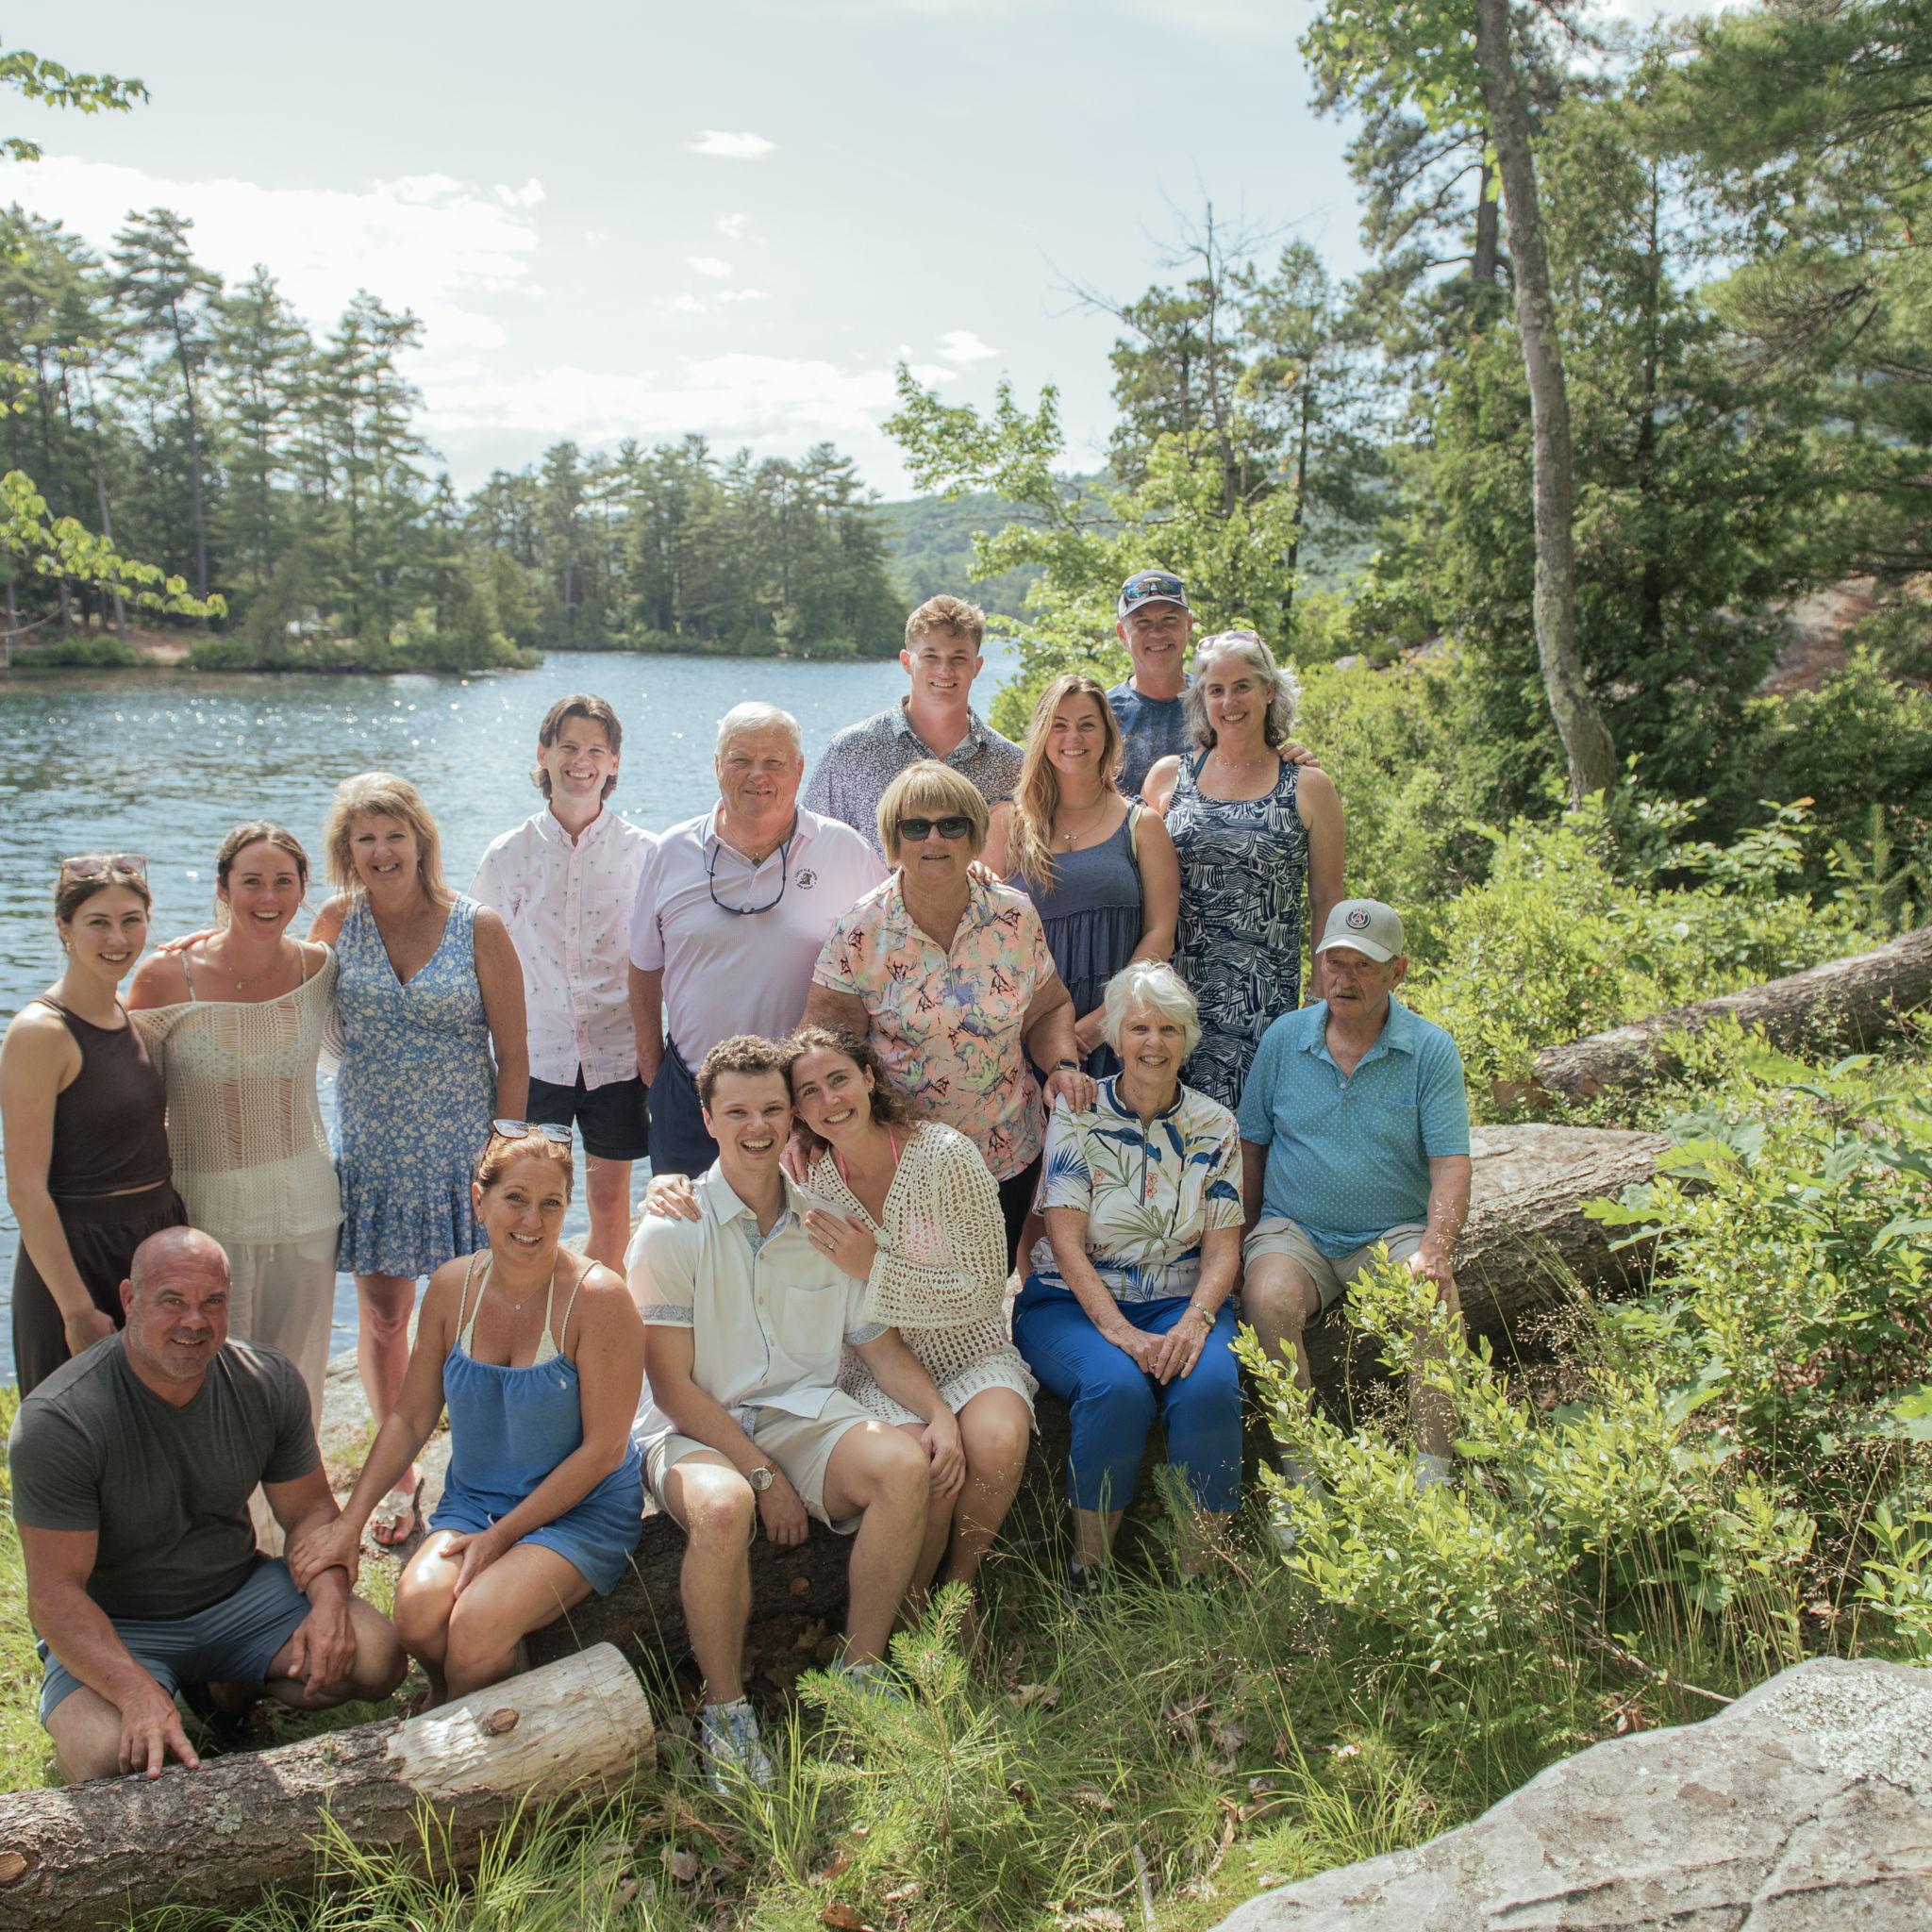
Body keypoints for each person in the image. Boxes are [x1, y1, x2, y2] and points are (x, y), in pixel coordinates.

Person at [626, 1036, 959, 1790]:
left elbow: (878, 1347)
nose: (757, 1127)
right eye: (737, 1112)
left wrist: (938, 1414)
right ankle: (726, 1714)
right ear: (707, 1119)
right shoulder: (671, 1229)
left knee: (904, 1464)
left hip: (800, 1415)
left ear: (792, 1117)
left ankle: (859, 1676)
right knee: (723, 1510)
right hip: (692, 1428)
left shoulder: (823, 1225)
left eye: (773, 1109)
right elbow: (672, 1389)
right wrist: (761, 1475)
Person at [8, 1228, 405, 1783]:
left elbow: (310, 1514)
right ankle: (163, 1691)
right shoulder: (59, 1421)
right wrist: (134, 1691)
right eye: (172, 1301)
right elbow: (55, 1597)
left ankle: (227, 1688)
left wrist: (329, 1603)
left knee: (377, 1658)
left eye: (212, 1302)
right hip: (120, 1625)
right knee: (103, 1757)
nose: (194, 1321)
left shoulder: (265, 1379)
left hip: (237, 1594)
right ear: (129, 1300)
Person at [290, 1125, 645, 1706]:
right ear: (480, 1201)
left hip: (580, 1509)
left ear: (567, 1208)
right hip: (476, 1502)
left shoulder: (598, 1299)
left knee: (477, 1622)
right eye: (515, 1199)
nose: (531, 1221)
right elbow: (411, 1418)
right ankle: (484, 1692)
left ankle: (466, 1731)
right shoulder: (453, 1287)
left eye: (550, 1204)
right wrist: (349, 1524)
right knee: (416, 1614)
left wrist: (502, 1538)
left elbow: (604, 1451)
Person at [311, 772, 529, 1549]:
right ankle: (398, 1475)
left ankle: (479, 1467)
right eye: (365, 838)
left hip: (461, 1156)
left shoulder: (479, 927)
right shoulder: (336, 922)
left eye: (394, 835)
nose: (381, 851)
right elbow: (277, 989)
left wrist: (502, 1157)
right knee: (383, 1316)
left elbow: (514, 1055)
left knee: (475, 1319)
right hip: (374, 1152)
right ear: (347, 851)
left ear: (420, 842)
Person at [1238, 899, 1474, 1533]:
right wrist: (1242, 1243)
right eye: (1333, 963)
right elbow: (1251, 1147)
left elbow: (1451, 1165)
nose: (1343, 979)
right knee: (1266, 1298)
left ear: (1398, 971)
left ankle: (1433, 1479)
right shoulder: (1285, 1039)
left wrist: (1435, 1248)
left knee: (1434, 1302)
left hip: (1392, 1232)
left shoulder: (1429, 1050)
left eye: (1363, 966)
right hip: (1295, 1230)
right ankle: (1303, 1478)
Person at [806, 760, 1096, 1263]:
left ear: (974, 834)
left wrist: (1063, 1065)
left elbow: (1048, 1010)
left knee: (987, 1285)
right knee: (912, 1289)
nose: (934, 839)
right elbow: (825, 1049)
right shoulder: (858, 932)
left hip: (1006, 1154)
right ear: (894, 840)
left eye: (951, 825)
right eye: (915, 827)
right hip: (901, 1165)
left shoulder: (1014, 915)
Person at [1013, 963, 1245, 1589]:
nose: (1154, 1042)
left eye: (1169, 1028)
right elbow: (1065, 1244)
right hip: (1071, 1301)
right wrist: (1122, 1333)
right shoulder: (1078, 1115)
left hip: (1180, 1299)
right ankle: (1090, 1572)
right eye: (1139, 1027)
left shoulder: (1216, 1125)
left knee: (1209, 1385)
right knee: (1117, 1388)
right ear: (1115, 1037)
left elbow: (1223, 1251)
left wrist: (1195, 1323)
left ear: (1187, 1039)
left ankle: (1202, 1576)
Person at [126, 824, 341, 1427]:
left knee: (296, 1385)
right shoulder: (165, 976)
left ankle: (297, 1494)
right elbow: (127, 1098)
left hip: (308, 1211)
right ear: (223, 889)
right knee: (207, 1388)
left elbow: (388, 896)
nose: (268, 898)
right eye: (251, 882)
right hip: (205, 1216)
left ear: (303, 890)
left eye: (283, 882)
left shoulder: (320, 967)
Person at [628, 702, 882, 1179]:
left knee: (809, 1225)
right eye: (740, 760)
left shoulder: (845, 850)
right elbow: (644, 964)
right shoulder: (670, 851)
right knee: (685, 1221)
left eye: (773, 762)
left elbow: (887, 956)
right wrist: (652, 1068)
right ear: (717, 766)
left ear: (799, 769)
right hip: (692, 1094)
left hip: (808, 1102)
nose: (757, 775)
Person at [473, 694, 655, 1271]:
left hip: (617, 1058)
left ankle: (601, 1313)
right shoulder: (507, 855)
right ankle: (531, 1314)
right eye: (569, 747)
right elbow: (476, 957)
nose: (582, 761)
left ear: (615, 761)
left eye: (596, 750)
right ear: (543, 754)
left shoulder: (645, 853)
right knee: (528, 1205)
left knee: (610, 1206)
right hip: (536, 1059)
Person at [2, 854, 186, 1395]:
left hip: (150, 1247)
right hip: (79, 1258)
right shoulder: (40, 1032)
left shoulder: (126, 1012)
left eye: (132, 920)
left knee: (155, 1424)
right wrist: (76, 1308)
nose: (118, 938)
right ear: (64, 928)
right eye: (98, 922)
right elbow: (25, 1190)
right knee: (77, 1430)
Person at [1145, 630, 1345, 1111]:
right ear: (1201, 698)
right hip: (1175, 1002)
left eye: (1242, 687)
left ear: (1268, 690)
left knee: (1254, 1137)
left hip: (1264, 1004)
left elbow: (1327, 900)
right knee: (1171, 1132)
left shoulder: (1309, 786)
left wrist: (1321, 998)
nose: (1229, 702)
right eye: (1215, 690)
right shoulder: (1169, 777)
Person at [985, 674, 1179, 1079]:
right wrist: (1044, 1033)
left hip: (1119, 1031)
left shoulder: (1142, 825)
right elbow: (983, 935)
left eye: (1087, 724)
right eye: (1059, 725)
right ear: (1042, 735)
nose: (1073, 736)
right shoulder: (1006, 823)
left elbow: (1160, 933)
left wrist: (1100, 1023)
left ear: (1107, 736)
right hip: (1022, 1033)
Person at [803, 594, 1024, 858]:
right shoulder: (850, 751)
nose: (945, 670)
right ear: (907, 662)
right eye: (930, 656)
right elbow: (809, 846)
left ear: (977, 666)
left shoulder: (1012, 765)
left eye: (958, 658)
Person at [1106, 568, 1196, 800]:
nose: (1157, 633)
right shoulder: (1102, 713)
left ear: (1188, 625)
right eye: (1142, 622)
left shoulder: (1216, 703)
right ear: (1122, 634)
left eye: (1169, 620)